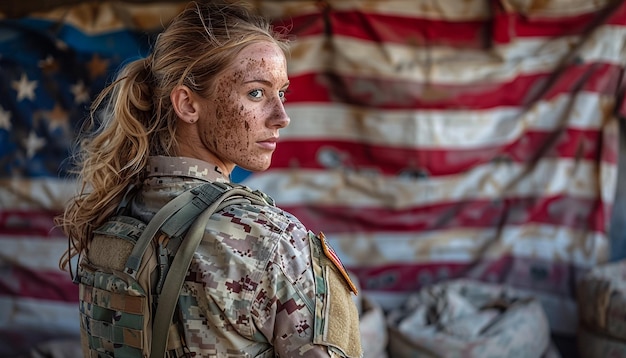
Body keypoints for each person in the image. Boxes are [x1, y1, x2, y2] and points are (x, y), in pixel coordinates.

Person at [56, 1, 363, 357]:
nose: (282, 116)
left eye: (282, 93)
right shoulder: (274, 244)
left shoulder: (111, 216)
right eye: (256, 93)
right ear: (187, 104)